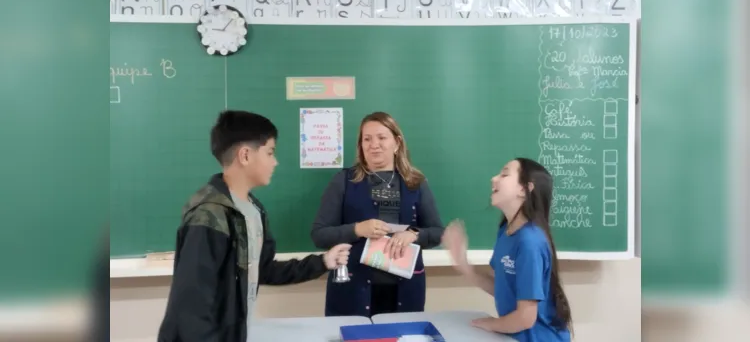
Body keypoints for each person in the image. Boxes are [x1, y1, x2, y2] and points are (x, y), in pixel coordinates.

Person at [158, 110, 351, 342]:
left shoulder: (253, 210)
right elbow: (191, 306)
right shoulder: (209, 215)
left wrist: (322, 262)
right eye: (270, 152)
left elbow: (263, 269)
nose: (275, 161)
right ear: (245, 155)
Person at [311, 111, 444, 317]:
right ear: (361, 145)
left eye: (382, 138)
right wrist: (357, 229)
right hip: (353, 289)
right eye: (367, 139)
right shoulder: (343, 181)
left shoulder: (416, 183)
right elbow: (319, 235)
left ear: (397, 143)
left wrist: (414, 234)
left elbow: (437, 232)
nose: (374, 144)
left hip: (404, 290)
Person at [442, 158, 573, 341]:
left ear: (524, 189)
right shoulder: (507, 231)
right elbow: (502, 288)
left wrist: (490, 324)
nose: (494, 179)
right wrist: (463, 265)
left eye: (504, 174)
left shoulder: (530, 242)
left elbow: (526, 318)